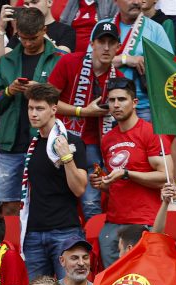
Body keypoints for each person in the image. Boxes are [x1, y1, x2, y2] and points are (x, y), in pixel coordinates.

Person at [0, 7, 64, 216]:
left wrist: (37, 90)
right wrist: (9, 90)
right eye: (23, 38)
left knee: (45, 200)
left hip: (45, 143)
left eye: (33, 38)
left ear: (44, 30)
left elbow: (64, 100)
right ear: (16, 33)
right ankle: (12, 248)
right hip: (11, 145)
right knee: (9, 205)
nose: (28, 43)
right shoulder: (7, 61)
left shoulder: (59, 59)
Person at [93, 78, 172, 267]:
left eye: (122, 99)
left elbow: (166, 177)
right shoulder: (107, 139)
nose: (116, 105)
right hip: (113, 221)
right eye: (111, 100)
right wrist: (102, 183)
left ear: (135, 102)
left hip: (144, 221)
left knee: (142, 282)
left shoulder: (151, 133)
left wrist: (127, 174)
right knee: (113, 284)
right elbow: (115, 185)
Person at [48, 20, 122, 221]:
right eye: (101, 41)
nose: (106, 47)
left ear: (118, 47)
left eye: (111, 42)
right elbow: (48, 101)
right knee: (56, 200)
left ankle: (91, 249)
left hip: (94, 149)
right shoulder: (69, 62)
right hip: (62, 140)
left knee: (91, 205)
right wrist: (83, 111)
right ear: (92, 44)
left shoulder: (119, 79)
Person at [19, 83, 87, 279]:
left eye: (39, 108)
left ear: (53, 109)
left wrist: (67, 158)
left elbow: (79, 189)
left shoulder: (72, 142)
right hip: (33, 233)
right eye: (30, 108)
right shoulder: (32, 144)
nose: (33, 113)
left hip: (65, 231)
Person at [110, 0, 173, 119]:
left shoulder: (156, 30)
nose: (136, 2)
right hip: (109, 105)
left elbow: (169, 71)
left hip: (143, 107)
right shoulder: (104, 27)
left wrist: (148, 63)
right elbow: (91, 63)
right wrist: (126, 59)